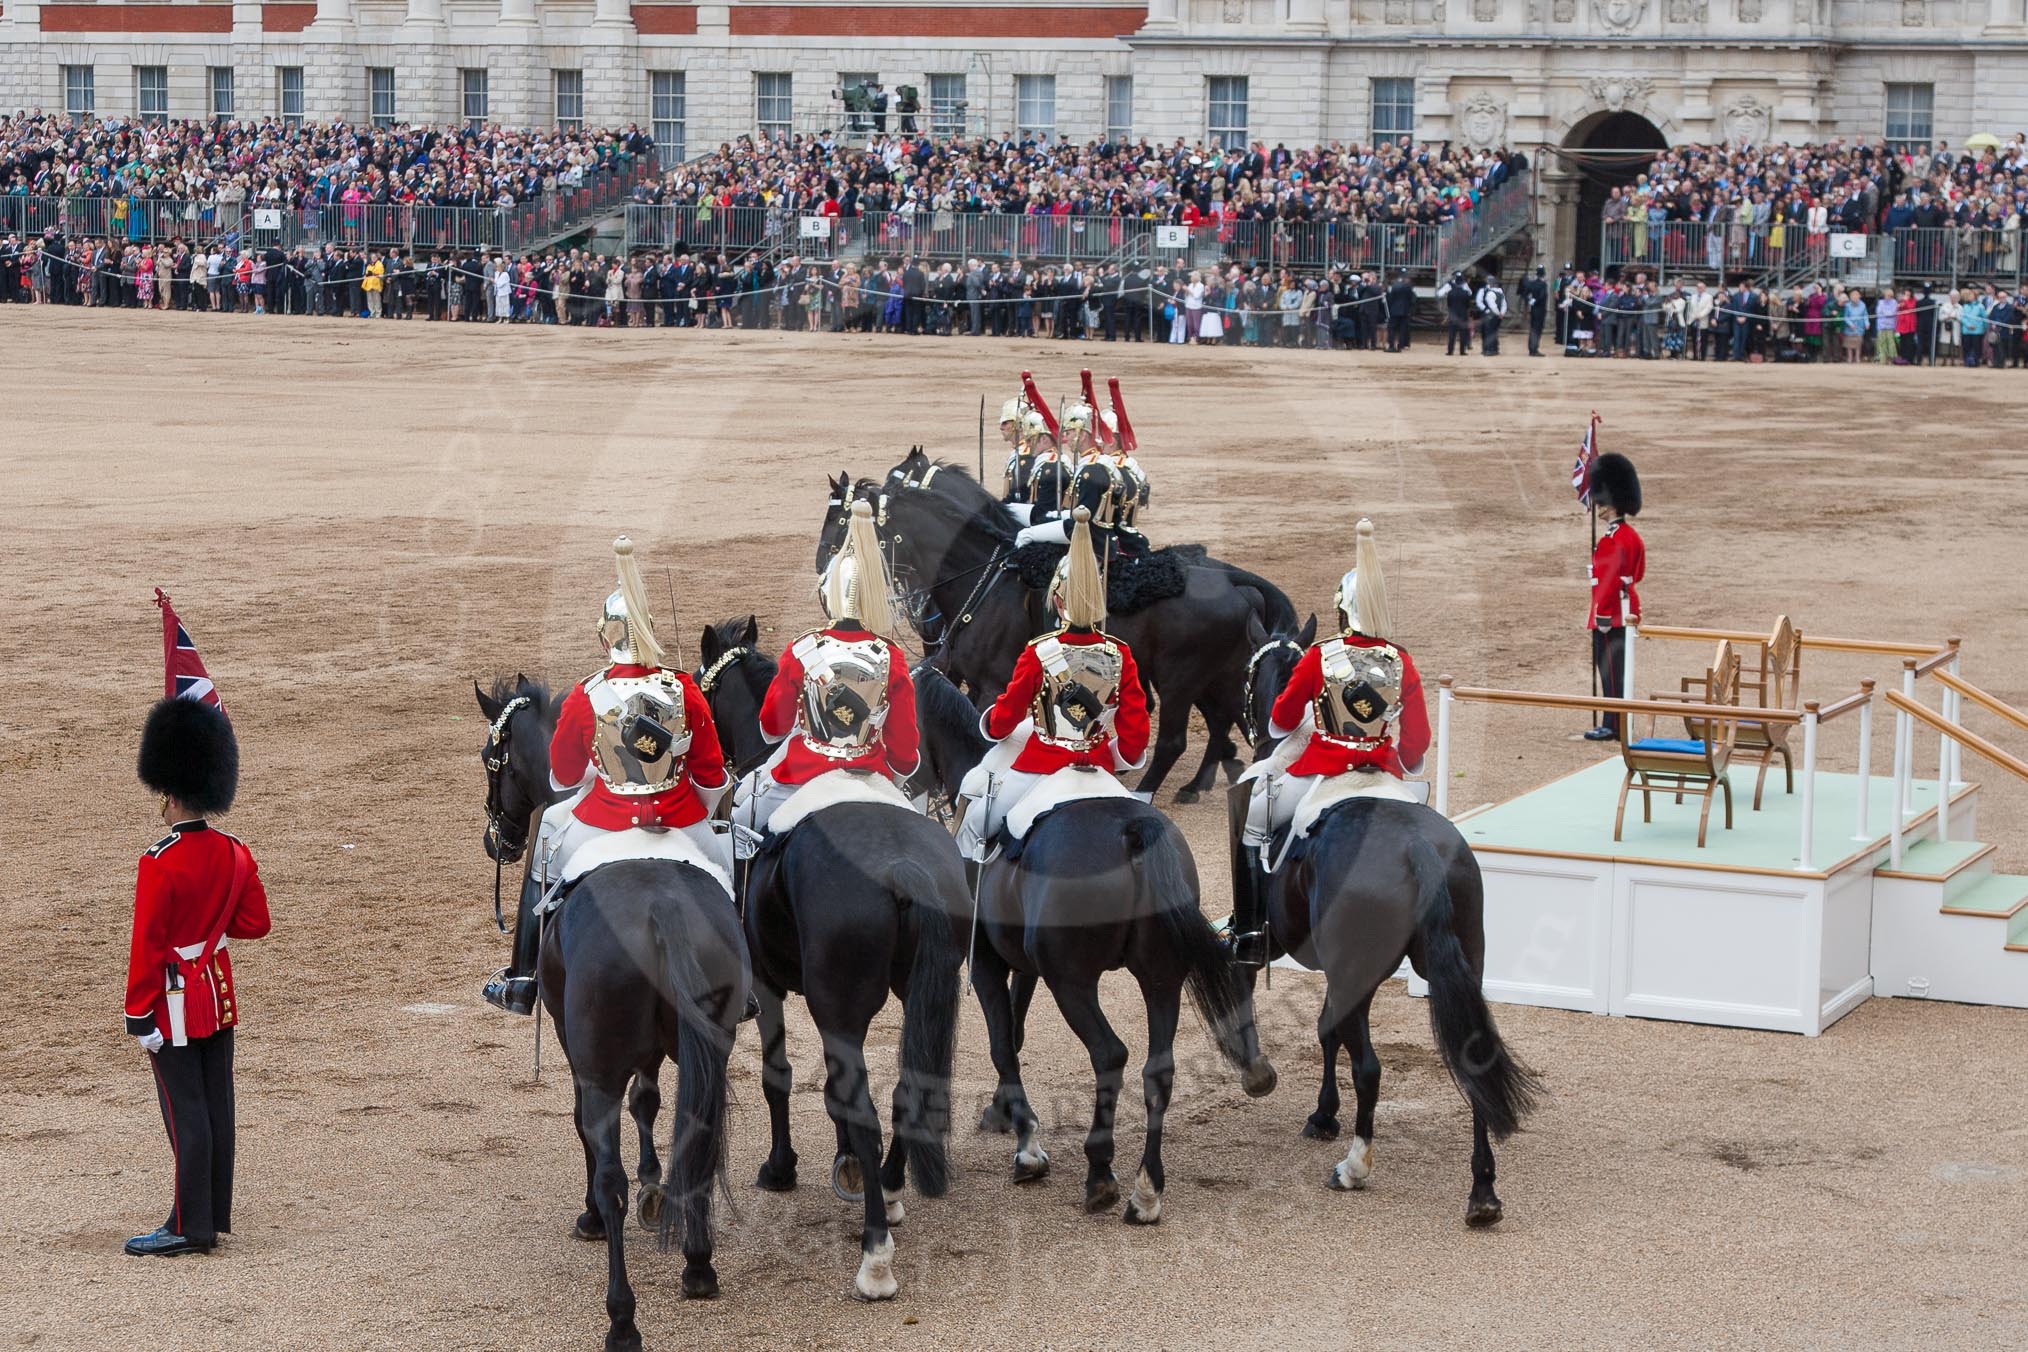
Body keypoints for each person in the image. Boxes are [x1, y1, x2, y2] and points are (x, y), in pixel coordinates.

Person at [482, 536, 731, 1015]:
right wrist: (688, 806)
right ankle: (739, 983)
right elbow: (712, 772)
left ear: (604, 638)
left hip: (605, 819)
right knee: (724, 867)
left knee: (546, 842)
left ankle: (523, 977)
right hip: (679, 819)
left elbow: (563, 777)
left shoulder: (586, 695)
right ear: (651, 631)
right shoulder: (683, 689)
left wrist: (602, 770)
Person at [1226, 518, 1428, 969]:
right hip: (1384, 774)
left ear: (1342, 612)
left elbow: (1279, 721)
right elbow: (1417, 742)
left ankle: (1251, 930)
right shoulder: (1402, 661)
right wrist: (1402, 760)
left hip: (1323, 771)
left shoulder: (1320, 656)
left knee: (1252, 810)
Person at [125, 696, 272, 1257]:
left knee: (186, 1111)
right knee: (216, 1107)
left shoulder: (158, 861)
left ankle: (190, 1225)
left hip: (174, 1002)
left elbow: (148, 946)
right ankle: (209, 1211)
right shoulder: (235, 852)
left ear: (171, 793)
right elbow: (256, 924)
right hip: (218, 994)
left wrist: (138, 1014)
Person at [956, 509, 1150, 861]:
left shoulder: (1038, 652)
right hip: (1099, 768)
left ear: (1058, 601)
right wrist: (1115, 754)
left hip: (1041, 764)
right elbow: (1135, 735)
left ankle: (969, 914)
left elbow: (1005, 718)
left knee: (976, 826)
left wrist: (993, 725)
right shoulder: (1120, 654)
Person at [733, 499, 920, 835]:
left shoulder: (802, 649)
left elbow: (773, 726)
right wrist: (896, 774)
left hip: (804, 771)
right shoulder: (892, 655)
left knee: (740, 824)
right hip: (869, 774)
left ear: (828, 594)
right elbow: (905, 747)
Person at [1584, 453, 1645, 742]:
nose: (1599, 508)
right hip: (1627, 606)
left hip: (1611, 613)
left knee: (1609, 671)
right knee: (1618, 670)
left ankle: (1611, 723)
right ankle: (1617, 720)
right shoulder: (1629, 536)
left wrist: (1603, 616)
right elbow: (1638, 572)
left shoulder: (1612, 539)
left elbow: (1607, 583)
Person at [1438, 270, 1473, 355]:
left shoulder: (1450, 291)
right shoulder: (1465, 291)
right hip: (1463, 314)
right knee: (1463, 334)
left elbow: (1445, 300)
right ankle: (1462, 351)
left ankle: (1450, 351)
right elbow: (1468, 301)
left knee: (1452, 334)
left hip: (1453, 314)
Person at [1475, 273, 1507, 355]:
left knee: (1490, 331)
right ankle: (1488, 349)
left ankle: (1491, 349)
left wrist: (1500, 313)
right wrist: (1501, 313)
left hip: (1493, 314)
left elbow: (1501, 304)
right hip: (1489, 313)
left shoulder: (1496, 291)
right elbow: (1479, 302)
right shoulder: (1484, 290)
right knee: (1488, 331)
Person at [1521, 266, 1549, 356]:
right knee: (1538, 329)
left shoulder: (1532, 283)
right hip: (1540, 309)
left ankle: (1531, 348)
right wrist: (1536, 301)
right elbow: (1542, 295)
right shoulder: (1543, 284)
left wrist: (1530, 301)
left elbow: (1524, 294)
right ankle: (1534, 349)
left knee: (1533, 329)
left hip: (1533, 309)